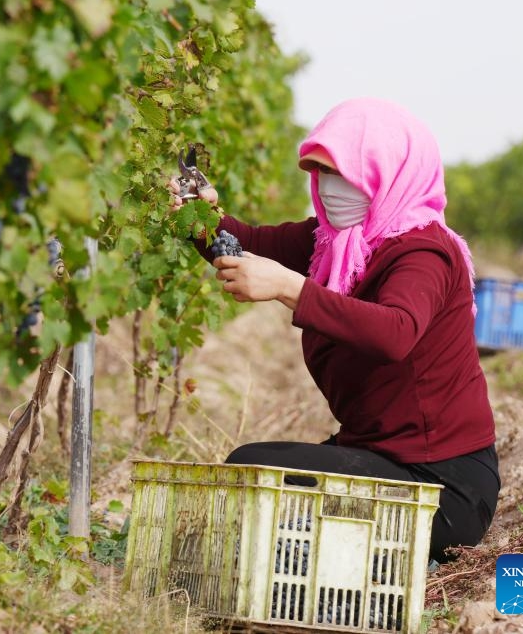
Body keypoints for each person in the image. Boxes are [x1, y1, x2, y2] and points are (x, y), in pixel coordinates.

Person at [168, 97, 499, 562]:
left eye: (342, 175)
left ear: (387, 174)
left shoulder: (423, 252)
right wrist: (198, 215)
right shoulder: (337, 242)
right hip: (380, 457)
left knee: (253, 473)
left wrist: (292, 289)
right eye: (319, 173)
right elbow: (247, 243)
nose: (328, 188)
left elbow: (395, 333)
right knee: (252, 478)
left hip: (443, 485)